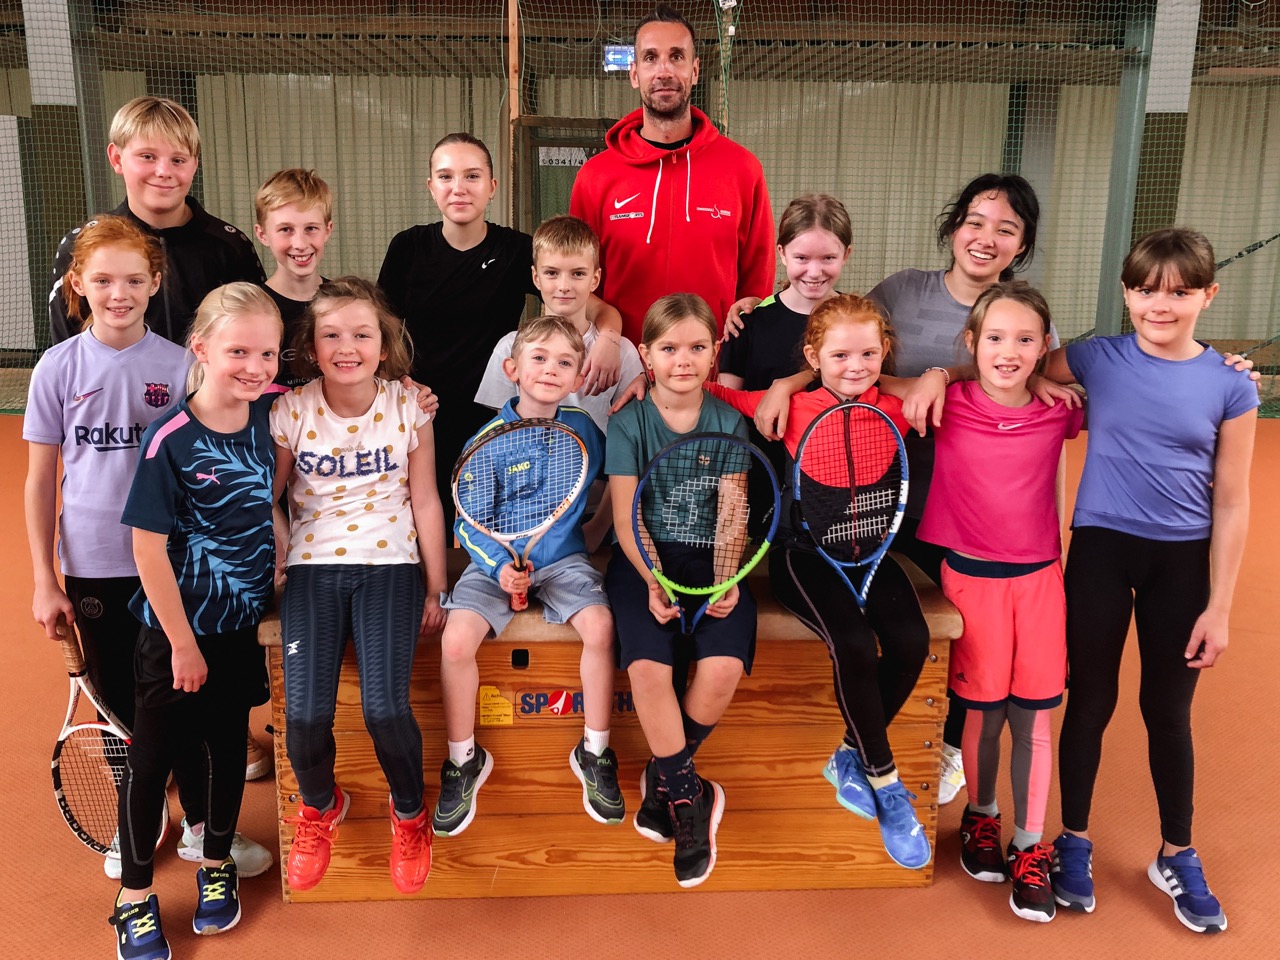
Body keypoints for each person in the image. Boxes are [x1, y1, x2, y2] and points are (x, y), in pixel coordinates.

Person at [746, 174, 1051, 807]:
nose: (986, 238)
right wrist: (788, 381)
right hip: (877, 504)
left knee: (960, 634)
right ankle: (875, 760)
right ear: (954, 228)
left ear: (1021, 245)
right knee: (876, 629)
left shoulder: (1021, 312)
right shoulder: (901, 291)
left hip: (965, 503)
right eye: (975, 221)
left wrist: (945, 373)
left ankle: (945, 746)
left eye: (1006, 229)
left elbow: (1033, 371)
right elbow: (840, 344)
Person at [23, 216, 273, 886]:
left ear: (156, 283)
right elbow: (41, 479)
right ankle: (137, 816)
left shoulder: (181, 364)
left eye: (134, 280)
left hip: (180, 565)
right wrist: (45, 578)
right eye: (103, 280)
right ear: (78, 283)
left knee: (183, 698)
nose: (119, 293)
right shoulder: (56, 368)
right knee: (120, 705)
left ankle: (200, 825)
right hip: (97, 564)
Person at [1039, 229, 1256, 934]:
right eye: (1145, 291)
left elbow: (1233, 501)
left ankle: (1176, 853)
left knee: (1167, 711)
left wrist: (1220, 607)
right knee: (1089, 701)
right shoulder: (1097, 357)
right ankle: (1073, 840)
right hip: (1102, 549)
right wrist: (1045, 386)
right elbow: (1022, 363)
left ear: (1207, 296)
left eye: (1179, 292)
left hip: (1182, 562)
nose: (1160, 305)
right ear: (1126, 293)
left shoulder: (1231, 385)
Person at [704, 294, 933, 872]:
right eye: (840, 356)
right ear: (814, 357)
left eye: (868, 354)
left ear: (884, 351)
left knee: (913, 642)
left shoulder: (897, 406)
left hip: (872, 555)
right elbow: (712, 392)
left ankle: (850, 756)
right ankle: (887, 786)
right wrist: (645, 380)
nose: (855, 366)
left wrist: (935, 376)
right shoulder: (792, 405)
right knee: (852, 643)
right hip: (804, 559)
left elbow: (967, 387)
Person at [110, 283, 283, 958]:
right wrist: (182, 644)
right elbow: (146, 550)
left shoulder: (272, 412)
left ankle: (216, 863)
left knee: (226, 748)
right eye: (239, 351)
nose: (255, 366)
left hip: (239, 627)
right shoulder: (170, 439)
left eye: (267, 353)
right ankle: (133, 899)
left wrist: (413, 391)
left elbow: (340, 390)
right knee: (152, 761)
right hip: (173, 635)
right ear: (201, 349)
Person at [270, 277, 446, 895]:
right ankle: (321, 806)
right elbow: (268, 496)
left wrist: (435, 586)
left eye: (362, 334)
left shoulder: (409, 407)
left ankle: (410, 814)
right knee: (303, 715)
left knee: (385, 708)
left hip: (390, 567)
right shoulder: (290, 411)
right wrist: (282, 545)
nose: (348, 347)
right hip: (312, 569)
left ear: (384, 344)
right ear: (311, 347)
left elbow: (425, 499)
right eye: (332, 335)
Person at [915, 282, 1083, 922]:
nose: (1008, 352)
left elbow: (1139, 388)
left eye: (1025, 340)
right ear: (971, 342)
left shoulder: (1061, 408)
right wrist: (939, 374)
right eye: (994, 338)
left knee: (1033, 718)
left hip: (1040, 583)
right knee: (982, 713)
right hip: (969, 581)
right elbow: (866, 380)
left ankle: (1029, 844)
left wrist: (1222, 366)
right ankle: (981, 818)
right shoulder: (946, 403)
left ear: (1044, 348)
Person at [436, 315, 619, 835]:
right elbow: (466, 524)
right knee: (455, 642)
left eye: (564, 362)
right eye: (538, 358)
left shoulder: (584, 429)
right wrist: (499, 568)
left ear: (578, 376)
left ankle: (595, 751)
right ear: (512, 369)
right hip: (493, 562)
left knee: (601, 627)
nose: (550, 369)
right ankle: (463, 758)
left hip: (563, 561)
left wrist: (596, 531)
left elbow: (614, 477)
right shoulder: (486, 440)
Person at [379, 133, 624, 521]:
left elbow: (591, 305)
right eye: (446, 176)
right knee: (427, 514)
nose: (459, 188)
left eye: (472, 176)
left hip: (495, 411)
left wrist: (610, 339)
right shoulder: (408, 247)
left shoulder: (515, 250)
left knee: (489, 516)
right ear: (431, 186)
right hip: (423, 408)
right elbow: (382, 331)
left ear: (492, 186)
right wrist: (401, 382)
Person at [605, 293, 757, 888]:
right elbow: (627, 518)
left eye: (697, 347)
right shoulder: (628, 422)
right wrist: (652, 579)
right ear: (646, 355)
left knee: (721, 669)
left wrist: (726, 578)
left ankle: (665, 779)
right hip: (643, 562)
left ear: (715, 352)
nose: (683, 360)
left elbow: (733, 514)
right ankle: (690, 797)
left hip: (713, 561)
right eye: (669, 348)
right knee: (648, 671)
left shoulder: (730, 422)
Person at [569, 4, 775, 343]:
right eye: (651, 58)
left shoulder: (743, 169)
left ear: (694, 71)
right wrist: (609, 339)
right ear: (634, 74)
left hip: (713, 366)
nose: (663, 70)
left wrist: (737, 356)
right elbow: (578, 281)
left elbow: (757, 284)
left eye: (676, 57)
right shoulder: (595, 176)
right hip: (623, 364)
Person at [475, 214, 644, 548]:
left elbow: (630, 452)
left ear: (595, 278)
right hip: (524, 511)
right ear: (535, 277)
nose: (564, 285)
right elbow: (499, 441)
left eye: (577, 274)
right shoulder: (510, 347)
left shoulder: (621, 352)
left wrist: (597, 528)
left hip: (597, 512)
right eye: (552, 273)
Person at [48, 96, 265, 348]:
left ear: (194, 165)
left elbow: (257, 334)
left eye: (178, 160)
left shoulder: (230, 245)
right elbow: (66, 349)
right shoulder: (83, 245)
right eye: (147, 156)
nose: (164, 171)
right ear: (117, 158)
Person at [253, 168, 334, 385]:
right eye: (286, 230)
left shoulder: (346, 302)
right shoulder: (250, 308)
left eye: (311, 228)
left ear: (328, 230)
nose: (300, 244)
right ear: (262, 234)